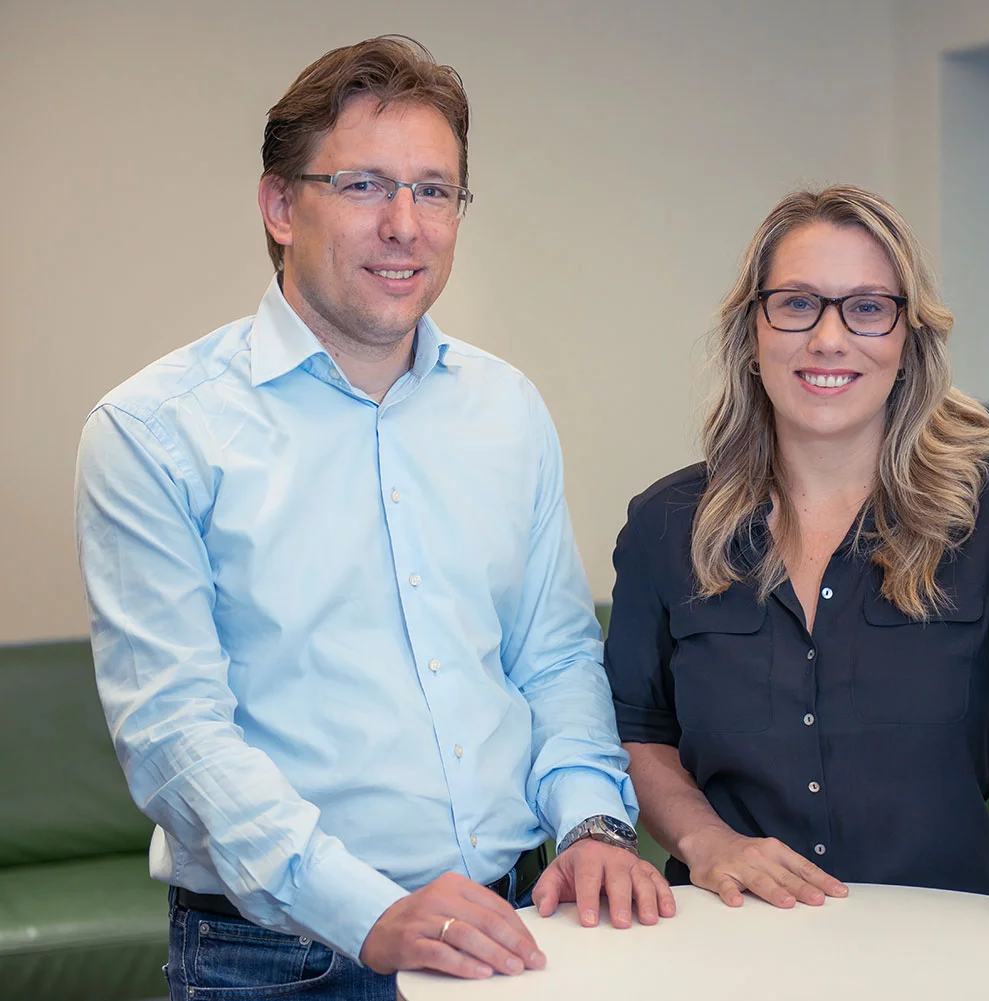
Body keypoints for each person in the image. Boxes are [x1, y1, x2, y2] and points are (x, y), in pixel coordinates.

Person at [75, 36, 672, 1000]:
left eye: (435, 191)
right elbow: (178, 735)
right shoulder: (154, 431)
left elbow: (553, 654)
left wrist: (593, 821)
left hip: (521, 923)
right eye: (364, 186)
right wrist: (369, 911)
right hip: (281, 957)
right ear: (280, 206)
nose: (406, 224)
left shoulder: (506, 407)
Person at [604, 185, 989, 1000]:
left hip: (951, 952)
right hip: (728, 950)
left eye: (867, 308)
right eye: (796, 304)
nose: (829, 337)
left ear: (906, 337)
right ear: (753, 330)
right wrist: (707, 840)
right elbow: (638, 731)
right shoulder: (663, 525)